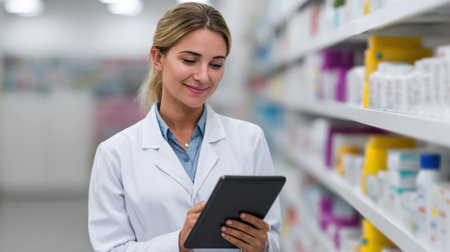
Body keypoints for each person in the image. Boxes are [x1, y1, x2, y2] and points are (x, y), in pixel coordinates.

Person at [88, 2, 281, 252]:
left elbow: (272, 235)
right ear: (158, 58)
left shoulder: (250, 139)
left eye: (216, 64)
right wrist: (178, 242)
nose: (203, 76)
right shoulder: (115, 153)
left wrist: (262, 246)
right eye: (190, 60)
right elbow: (111, 248)